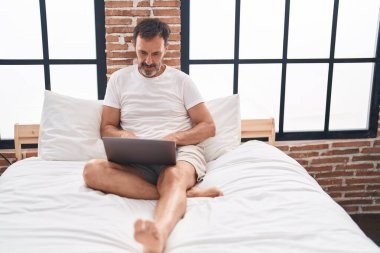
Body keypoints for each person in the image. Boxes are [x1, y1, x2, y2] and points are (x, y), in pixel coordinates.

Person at [83, 18, 223, 253]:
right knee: (91, 171)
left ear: (165, 48)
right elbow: (106, 127)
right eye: (143, 53)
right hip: (137, 157)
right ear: (134, 46)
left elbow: (208, 126)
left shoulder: (182, 81)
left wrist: (174, 139)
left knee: (172, 177)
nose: (149, 61)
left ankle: (157, 235)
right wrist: (125, 136)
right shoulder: (119, 79)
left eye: (156, 54)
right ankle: (184, 194)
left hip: (179, 153)